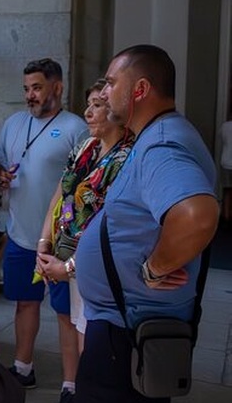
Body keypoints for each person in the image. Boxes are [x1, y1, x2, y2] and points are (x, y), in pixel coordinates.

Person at [74, 45, 218, 403]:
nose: (104, 93)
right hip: (125, 328)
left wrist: (156, 267)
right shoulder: (157, 135)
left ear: (139, 89)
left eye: (110, 83)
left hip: (125, 333)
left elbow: (195, 215)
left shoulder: (162, 143)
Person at [33, 80, 133, 403]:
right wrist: (43, 241)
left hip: (98, 268)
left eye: (98, 105)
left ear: (117, 110)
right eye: (87, 104)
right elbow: (60, 194)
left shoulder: (125, 158)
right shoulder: (85, 148)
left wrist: (70, 267)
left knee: (95, 336)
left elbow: (113, 226)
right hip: (68, 261)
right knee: (78, 326)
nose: (88, 112)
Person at [0, 58, 87, 389]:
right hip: (20, 233)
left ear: (57, 87)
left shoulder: (77, 127)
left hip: (61, 241)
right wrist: (0, 175)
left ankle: (71, 384)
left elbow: (86, 183)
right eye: (26, 89)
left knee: (66, 314)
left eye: (37, 87)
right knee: (25, 302)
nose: (30, 96)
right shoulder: (13, 123)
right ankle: (22, 368)